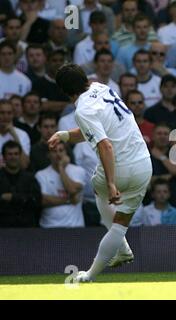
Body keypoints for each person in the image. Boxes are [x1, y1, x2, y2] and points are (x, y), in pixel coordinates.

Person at [48, 64, 152, 282]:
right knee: (120, 223)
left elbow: (105, 146)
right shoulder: (102, 87)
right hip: (143, 164)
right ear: (85, 79)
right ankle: (120, 248)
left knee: (100, 188)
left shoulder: (82, 110)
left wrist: (112, 183)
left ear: (65, 91)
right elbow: (93, 132)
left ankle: (90, 274)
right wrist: (66, 135)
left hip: (120, 167)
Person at [36, 141, 86, 229]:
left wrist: (61, 168)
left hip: (75, 226)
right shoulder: (40, 175)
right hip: (49, 226)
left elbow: (72, 189)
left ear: (66, 152)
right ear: (48, 154)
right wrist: (70, 200)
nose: (58, 154)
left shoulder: (79, 171)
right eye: (54, 151)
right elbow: (42, 200)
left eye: (61, 150)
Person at [0, 140, 41, 228]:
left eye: (16, 154)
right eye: (10, 154)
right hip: (3, 229)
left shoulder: (30, 178)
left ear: (20, 156)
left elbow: (37, 200)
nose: (13, 157)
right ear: (3, 157)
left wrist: (13, 198)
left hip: (26, 228)